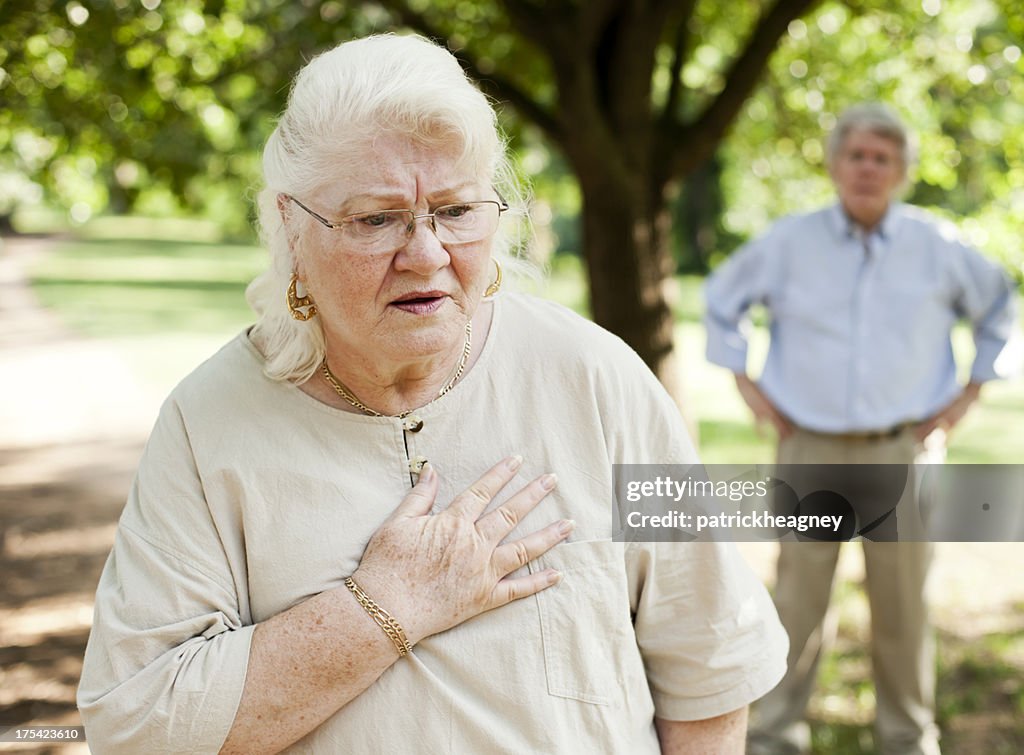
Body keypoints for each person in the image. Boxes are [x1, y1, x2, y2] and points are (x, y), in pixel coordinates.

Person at [78, 33, 788, 754]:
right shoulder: (210, 424)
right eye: (376, 219)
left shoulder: (598, 378)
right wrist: (382, 608)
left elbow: (711, 673)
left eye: (455, 211)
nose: (425, 254)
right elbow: (138, 723)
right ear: (293, 227)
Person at [704, 102, 1018, 755]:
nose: (868, 168)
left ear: (902, 170)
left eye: (882, 157)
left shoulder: (939, 246)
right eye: (857, 155)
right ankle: (773, 734)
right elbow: (720, 300)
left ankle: (908, 737)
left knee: (905, 608)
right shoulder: (790, 241)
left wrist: (970, 393)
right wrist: (744, 382)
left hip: (903, 450)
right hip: (810, 446)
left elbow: (1001, 307)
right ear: (835, 164)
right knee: (796, 603)